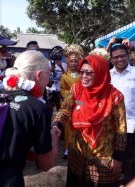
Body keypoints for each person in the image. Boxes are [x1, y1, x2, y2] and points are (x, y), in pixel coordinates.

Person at [0, 50, 61, 187]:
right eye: (49, 74)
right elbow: (45, 164)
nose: (49, 80)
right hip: (9, 180)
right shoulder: (37, 109)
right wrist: (54, 138)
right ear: (39, 75)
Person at [53, 54, 127, 187]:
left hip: (103, 158)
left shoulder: (114, 96)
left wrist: (118, 157)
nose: (84, 76)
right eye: (81, 72)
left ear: (100, 72)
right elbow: (65, 109)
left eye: (89, 72)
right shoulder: (76, 89)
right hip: (78, 155)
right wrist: (56, 125)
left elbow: (120, 129)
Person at [110, 44, 135, 184]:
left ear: (127, 55)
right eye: (115, 57)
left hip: (133, 126)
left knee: (131, 162)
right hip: (113, 127)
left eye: (122, 55)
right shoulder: (108, 75)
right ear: (111, 59)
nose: (119, 59)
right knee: (114, 159)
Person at [61, 44, 83, 159]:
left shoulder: (82, 75)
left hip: (81, 104)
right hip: (70, 104)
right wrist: (70, 96)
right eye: (71, 61)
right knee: (68, 126)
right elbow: (62, 89)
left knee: (79, 125)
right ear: (68, 62)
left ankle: (79, 146)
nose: (73, 63)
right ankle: (67, 148)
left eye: (76, 61)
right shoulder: (64, 76)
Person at [46, 45, 66, 117]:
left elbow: (66, 77)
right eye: (57, 52)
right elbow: (44, 76)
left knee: (60, 110)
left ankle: (60, 126)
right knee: (48, 111)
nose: (58, 54)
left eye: (60, 53)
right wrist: (50, 70)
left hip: (59, 91)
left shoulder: (64, 65)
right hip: (49, 91)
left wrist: (60, 66)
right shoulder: (47, 63)